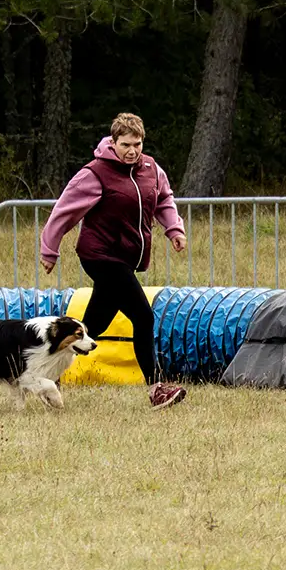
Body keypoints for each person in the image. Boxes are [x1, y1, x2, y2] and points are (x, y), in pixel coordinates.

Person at [39, 112, 190, 409]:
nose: (132, 150)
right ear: (113, 142)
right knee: (143, 316)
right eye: (125, 145)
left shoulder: (151, 170)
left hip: (125, 258)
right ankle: (157, 387)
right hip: (99, 255)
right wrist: (49, 250)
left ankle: (43, 372)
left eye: (137, 143)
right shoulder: (95, 173)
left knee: (95, 323)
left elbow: (164, 200)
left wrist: (174, 229)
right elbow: (64, 211)